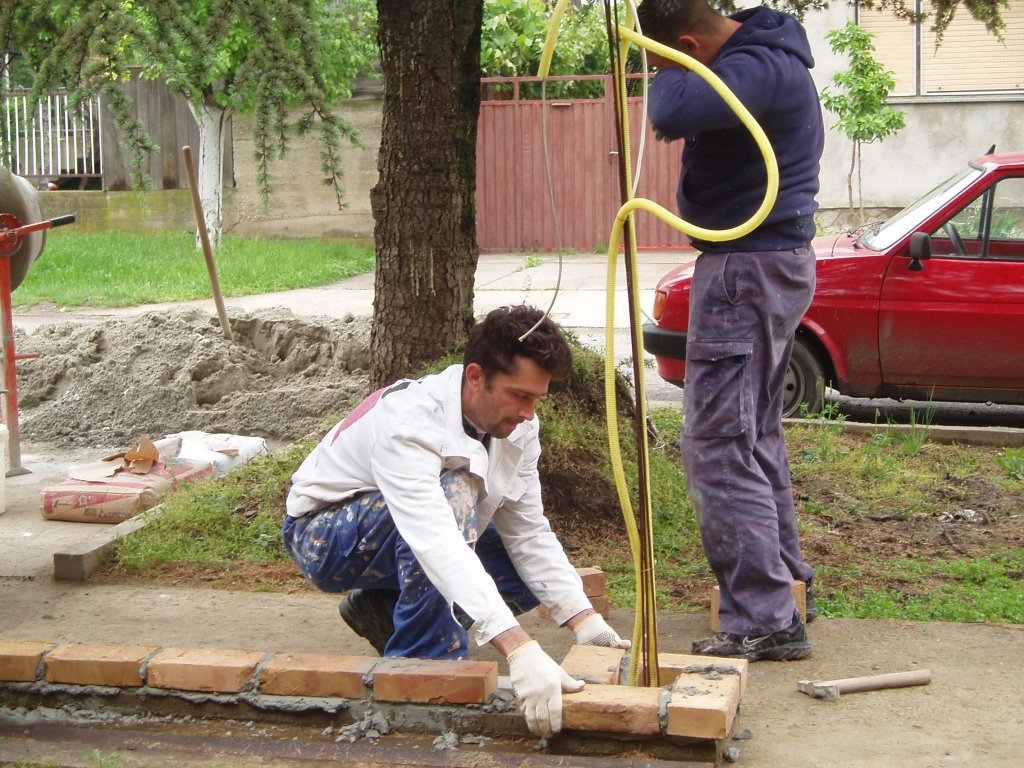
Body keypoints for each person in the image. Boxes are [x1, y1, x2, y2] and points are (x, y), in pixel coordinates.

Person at [283, 305, 630, 737]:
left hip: (408, 528)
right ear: (476, 376)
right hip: (324, 535)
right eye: (520, 395)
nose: (528, 412)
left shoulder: (519, 428)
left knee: (520, 566)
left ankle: (383, 608)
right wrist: (518, 647)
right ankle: (424, 676)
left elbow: (528, 532)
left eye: (536, 398)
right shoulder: (411, 421)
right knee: (454, 497)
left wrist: (583, 619)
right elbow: (436, 541)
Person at [636, 0, 824, 661]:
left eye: (662, 60)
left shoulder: (757, 67)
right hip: (766, 264)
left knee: (716, 443)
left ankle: (764, 616)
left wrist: (667, 70)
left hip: (747, 269)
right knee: (752, 432)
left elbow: (670, 111)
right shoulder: (759, 57)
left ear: (689, 44)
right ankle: (784, 588)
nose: (659, 74)